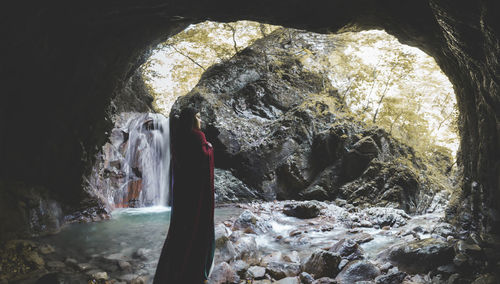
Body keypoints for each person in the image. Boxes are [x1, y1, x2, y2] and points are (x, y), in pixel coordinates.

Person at [153, 107, 215, 284]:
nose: (200, 120)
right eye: (198, 116)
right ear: (192, 120)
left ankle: (172, 271)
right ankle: (193, 272)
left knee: (180, 230)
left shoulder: (178, 139)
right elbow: (203, 158)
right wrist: (210, 148)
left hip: (182, 195)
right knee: (196, 228)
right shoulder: (197, 137)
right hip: (196, 196)